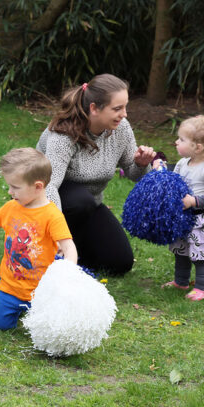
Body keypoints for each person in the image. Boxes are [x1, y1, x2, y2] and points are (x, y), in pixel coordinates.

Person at [36, 74, 156, 275]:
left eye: (125, 107)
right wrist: (57, 234)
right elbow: (47, 186)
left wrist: (141, 164)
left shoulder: (121, 129)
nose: (124, 114)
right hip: (47, 201)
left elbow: (134, 174)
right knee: (80, 200)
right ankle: (50, 250)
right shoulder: (63, 134)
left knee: (120, 262)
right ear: (94, 108)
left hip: (90, 205)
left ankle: (75, 253)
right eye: (117, 109)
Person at [0, 148, 78, 330]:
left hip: (42, 290)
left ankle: (36, 314)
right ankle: (14, 309)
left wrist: (67, 272)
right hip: (10, 287)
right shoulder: (11, 207)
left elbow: (69, 247)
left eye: (16, 187)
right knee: (0, 326)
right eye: (10, 186)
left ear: (38, 186)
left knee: (44, 329)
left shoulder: (52, 216)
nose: (10, 192)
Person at [164, 109, 204, 301]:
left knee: (201, 255)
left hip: (202, 219)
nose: (177, 142)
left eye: (182, 140)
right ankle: (181, 281)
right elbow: (175, 181)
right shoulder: (183, 163)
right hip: (184, 217)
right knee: (181, 252)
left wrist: (194, 201)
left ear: (198, 147)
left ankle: (201, 287)